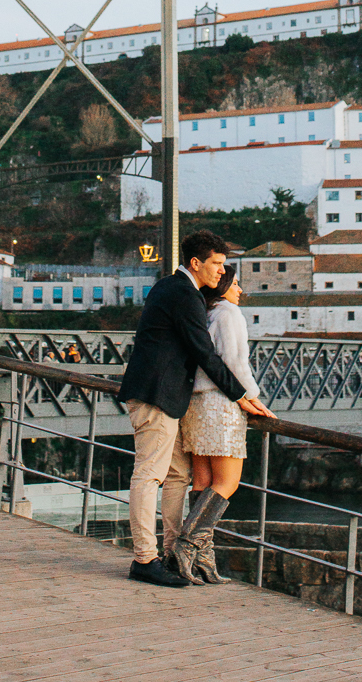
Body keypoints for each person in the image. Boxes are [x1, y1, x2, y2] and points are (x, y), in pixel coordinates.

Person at [118, 229, 272, 587]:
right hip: (156, 395)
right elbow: (206, 353)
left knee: (175, 477)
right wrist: (243, 396)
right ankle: (145, 558)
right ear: (196, 263)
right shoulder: (185, 295)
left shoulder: (169, 287)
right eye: (217, 263)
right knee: (149, 474)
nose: (222, 271)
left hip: (166, 396)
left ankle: (172, 553)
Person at [172, 264, 261, 584]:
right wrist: (252, 397)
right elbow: (236, 362)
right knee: (227, 483)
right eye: (235, 284)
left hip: (195, 405)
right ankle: (185, 547)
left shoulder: (203, 312)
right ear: (221, 286)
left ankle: (202, 561)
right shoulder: (229, 314)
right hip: (221, 405)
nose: (239, 290)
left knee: (203, 481)